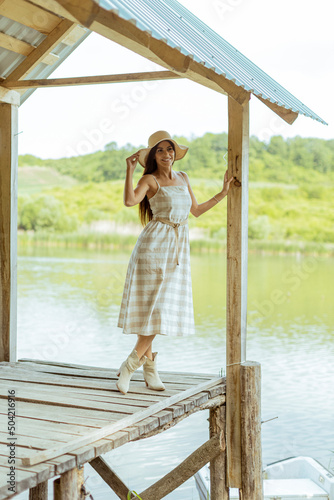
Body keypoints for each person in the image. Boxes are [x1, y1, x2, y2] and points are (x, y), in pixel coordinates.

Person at [116, 131, 233, 394]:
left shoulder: (183, 178)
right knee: (152, 308)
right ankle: (134, 366)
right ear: (153, 156)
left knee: (160, 308)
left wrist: (223, 192)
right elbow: (129, 201)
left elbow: (197, 210)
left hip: (177, 248)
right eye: (161, 150)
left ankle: (145, 365)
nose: (167, 154)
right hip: (153, 247)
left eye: (170, 150)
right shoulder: (149, 179)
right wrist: (129, 170)